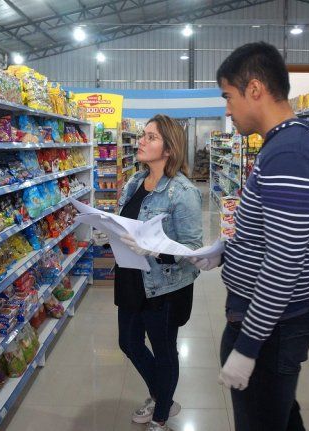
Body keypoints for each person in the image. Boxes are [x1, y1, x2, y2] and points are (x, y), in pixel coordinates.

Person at [190, 42, 309, 431]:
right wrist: (228, 250)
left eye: (228, 96)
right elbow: (276, 234)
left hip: (271, 325)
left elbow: (285, 261)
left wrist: (248, 346)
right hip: (273, 318)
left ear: (255, 89)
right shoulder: (292, 142)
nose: (227, 110)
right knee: (279, 417)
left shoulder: (291, 153)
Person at [114, 114, 203, 431]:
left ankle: (161, 414)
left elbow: (193, 248)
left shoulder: (183, 191)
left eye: (150, 137)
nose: (141, 141)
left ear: (169, 148)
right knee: (129, 342)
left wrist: (155, 250)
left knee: (164, 351)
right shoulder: (134, 182)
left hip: (164, 286)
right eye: (143, 135)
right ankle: (162, 394)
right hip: (131, 276)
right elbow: (127, 223)